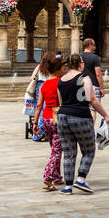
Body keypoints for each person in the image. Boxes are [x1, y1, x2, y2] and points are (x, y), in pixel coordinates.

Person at [56, 51, 109, 194]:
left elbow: (61, 102)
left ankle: (68, 186)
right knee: (88, 150)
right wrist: (105, 115)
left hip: (63, 116)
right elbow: (92, 100)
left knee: (69, 153)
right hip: (80, 116)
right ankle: (81, 179)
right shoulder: (84, 78)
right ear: (80, 64)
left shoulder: (61, 80)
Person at [35, 54, 63, 191]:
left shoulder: (44, 84)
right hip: (56, 119)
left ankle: (57, 176)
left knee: (54, 148)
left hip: (45, 118)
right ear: (57, 69)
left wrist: (35, 123)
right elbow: (62, 103)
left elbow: (39, 105)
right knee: (57, 152)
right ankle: (48, 176)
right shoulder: (60, 83)